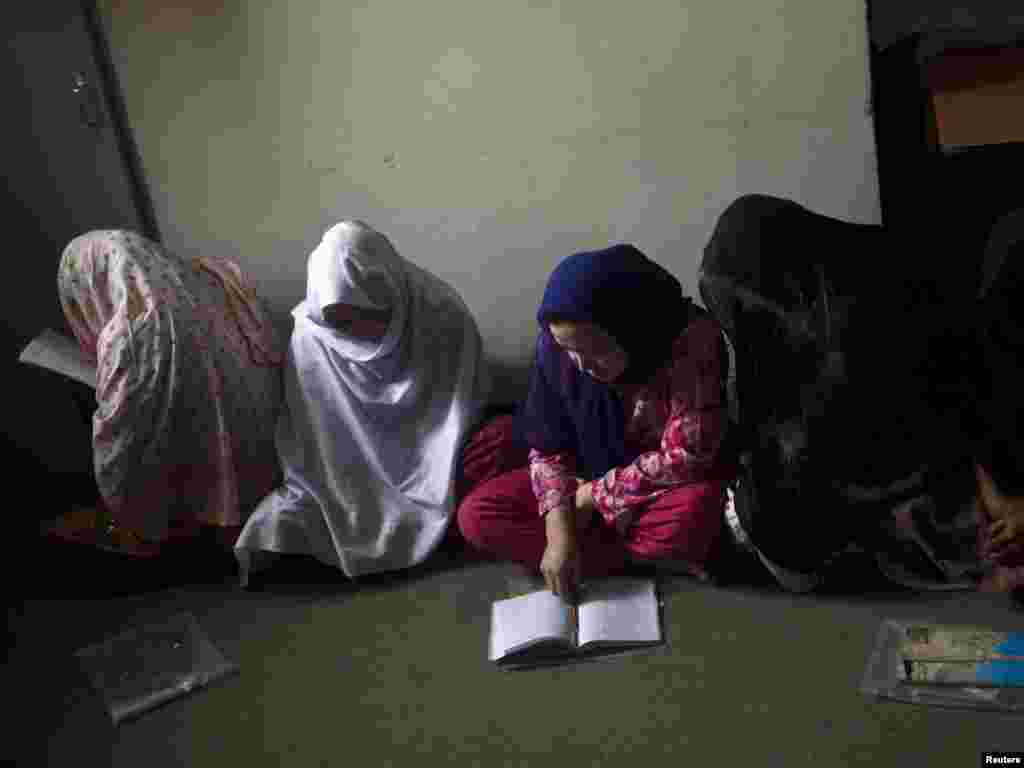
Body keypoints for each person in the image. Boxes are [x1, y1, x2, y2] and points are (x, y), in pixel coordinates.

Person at [457, 244, 735, 601]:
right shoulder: (557, 345)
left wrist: (593, 497)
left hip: (655, 489)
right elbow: (548, 447)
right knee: (476, 516)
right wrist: (559, 536)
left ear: (630, 329)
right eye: (569, 351)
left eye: (597, 350)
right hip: (586, 475)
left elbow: (688, 456)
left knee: (700, 508)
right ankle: (642, 557)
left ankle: (597, 554)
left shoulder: (690, 340)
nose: (582, 366)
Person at [234, 220, 495, 585]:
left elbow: (463, 405)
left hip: (439, 455)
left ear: (387, 294)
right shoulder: (313, 336)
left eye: (362, 315)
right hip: (349, 476)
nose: (350, 330)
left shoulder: (439, 314)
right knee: (282, 523)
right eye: (339, 320)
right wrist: (357, 485)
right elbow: (314, 440)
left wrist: (433, 465)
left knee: (495, 452)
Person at [47, 230, 285, 557]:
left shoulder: (133, 330)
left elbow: (124, 439)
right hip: (264, 473)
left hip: (185, 512)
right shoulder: (211, 283)